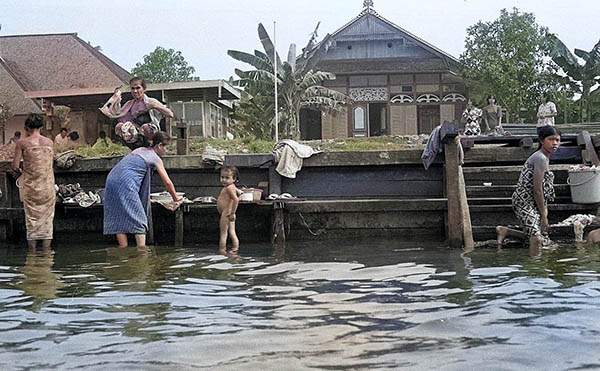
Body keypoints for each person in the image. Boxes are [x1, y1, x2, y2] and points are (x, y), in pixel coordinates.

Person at [103, 131, 182, 248]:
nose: (166, 150)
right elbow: (167, 182)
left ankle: (122, 250)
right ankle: (142, 252)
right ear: (159, 145)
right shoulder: (155, 158)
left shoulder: (139, 150)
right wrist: (176, 199)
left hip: (111, 179)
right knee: (139, 219)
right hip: (126, 182)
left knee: (118, 217)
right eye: (166, 147)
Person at [496, 126, 561, 253]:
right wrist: (544, 215)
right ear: (542, 141)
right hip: (524, 202)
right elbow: (537, 189)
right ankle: (535, 268)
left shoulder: (545, 157)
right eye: (551, 139)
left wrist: (544, 210)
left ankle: (505, 231)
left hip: (535, 202)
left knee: (541, 238)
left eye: (557, 140)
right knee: (536, 238)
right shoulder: (540, 158)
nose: (555, 143)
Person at [12, 113, 56, 249]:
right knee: (47, 222)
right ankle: (46, 254)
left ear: (27, 127)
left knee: (32, 221)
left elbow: (14, 166)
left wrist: (22, 172)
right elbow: (51, 163)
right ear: (41, 127)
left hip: (31, 188)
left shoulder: (22, 143)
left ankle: (32, 256)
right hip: (47, 187)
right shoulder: (49, 142)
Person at [100, 77, 174, 147]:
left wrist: (155, 106)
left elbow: (170, 114)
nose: (135, 91)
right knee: (120, 126)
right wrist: (116, 101)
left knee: (145, 127)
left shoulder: (150, 101)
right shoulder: (129, 104)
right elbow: (118, 116)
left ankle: (149, 145)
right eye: (133, 88)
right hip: (135, 136)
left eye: (138, 88)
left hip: (150, 134)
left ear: (144, 89)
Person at [217, 166, 240, 253]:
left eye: (227, 178)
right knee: (232, 232)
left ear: (234, 179)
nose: (224, 180)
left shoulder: (229, 188)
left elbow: (236, 199)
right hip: (229, 213)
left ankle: (222, 250)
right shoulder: (232, 187)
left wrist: (232, 213)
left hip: (227, 213)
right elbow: (238, 193)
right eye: (222, 177)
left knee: (223, 234)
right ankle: (235, 249)